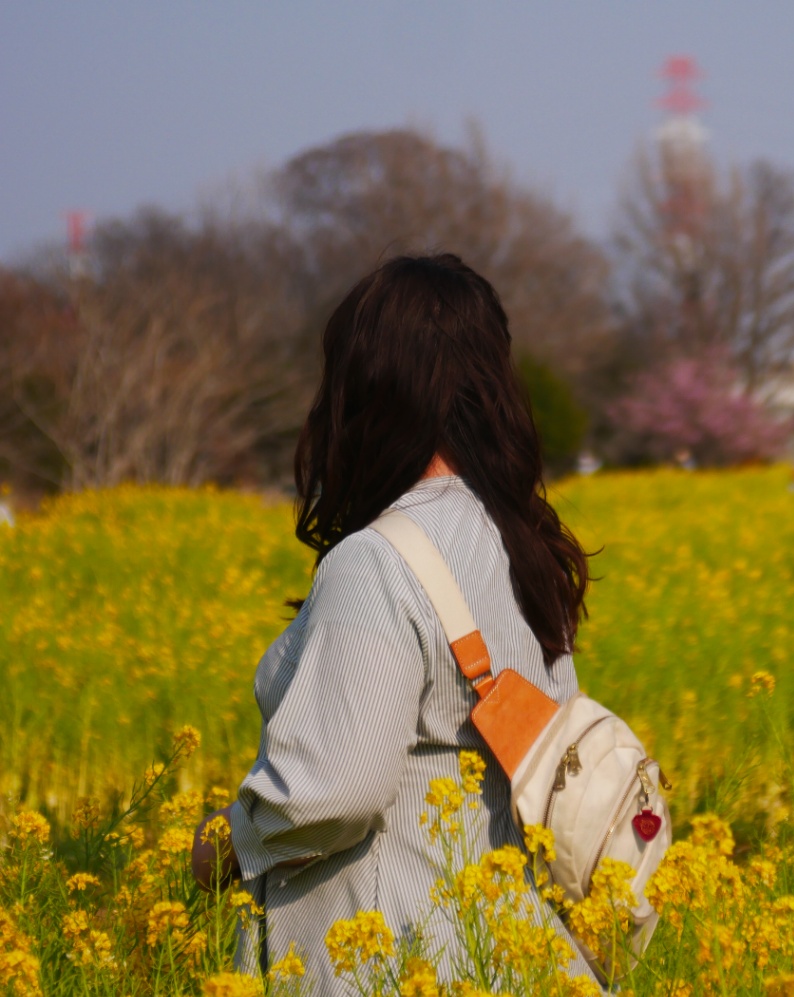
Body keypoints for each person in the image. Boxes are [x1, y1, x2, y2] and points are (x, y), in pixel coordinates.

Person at [190, 256, 597, 988]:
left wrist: (228, 841)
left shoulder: (375, 559)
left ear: (367, 391)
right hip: (513, 955)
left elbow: (338, 788)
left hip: (392, 958)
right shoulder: (524, 547)